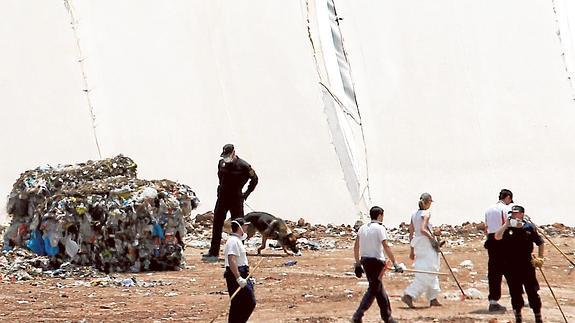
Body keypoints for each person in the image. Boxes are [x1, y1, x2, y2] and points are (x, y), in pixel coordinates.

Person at [203, 144, 258, 262]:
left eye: (228, 155)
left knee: (237, 226)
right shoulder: (221, 163)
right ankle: (213, 252)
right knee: (217, 223)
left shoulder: (243, 166)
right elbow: (220, 177)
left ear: (233, 153)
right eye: (224, 155)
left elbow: (254, 179)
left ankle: (239, 252)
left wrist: (246, 194)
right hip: (222, 198)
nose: (226, 158)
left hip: (236, 198)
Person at [352, 206, 402, 323]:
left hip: (365, 261)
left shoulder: (362, 228)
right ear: (379, 215)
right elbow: (386, 246)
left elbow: (356, 246)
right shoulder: (380, 228)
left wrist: (358, 263)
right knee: (374, 289)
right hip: (377, 262)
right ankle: (358, 315)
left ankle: (387, 317)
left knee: (378, 289)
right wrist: (395, 263)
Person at [495, 205, 545, 323]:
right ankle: (518, 317)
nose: (514, 215)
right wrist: (506, 224)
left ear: (522, 214)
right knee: (515, 292)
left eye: (516, 213)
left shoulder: (529, 227)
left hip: (526, 264)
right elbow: (497, 236)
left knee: (532, 291)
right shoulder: (507, 228)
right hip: (510, 265)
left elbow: (540, 242)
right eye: (512, 213)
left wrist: (540, 258)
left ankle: (538, 316)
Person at [401, 193, 442, 308]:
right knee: (429, 270)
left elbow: (411, 232)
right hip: (426, 243)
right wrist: (432, 239)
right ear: (428, 202)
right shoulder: (426, 213)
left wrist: (412, 249)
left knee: (428, 268)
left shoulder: (414, 214)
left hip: (418, 244)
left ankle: (433, 297)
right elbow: (423, 229)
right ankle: (410, 294)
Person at [484, 189, 514, 312]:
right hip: (502, 239)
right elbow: (508, 224)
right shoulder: (506, 209)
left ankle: (493, 301)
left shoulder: (489, 209)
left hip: (491, 240)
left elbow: (486, 227)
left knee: (494, 271)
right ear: (507, 197)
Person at [223, 218, 256, 323]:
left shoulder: (238, 240)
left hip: (242, 272)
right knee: (248, 301)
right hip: (236, 273)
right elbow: (231, 259)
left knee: (239, 303)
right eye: (245, 226)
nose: (247, 228)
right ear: (239, 227)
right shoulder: (233, 241)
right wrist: (238, 278)